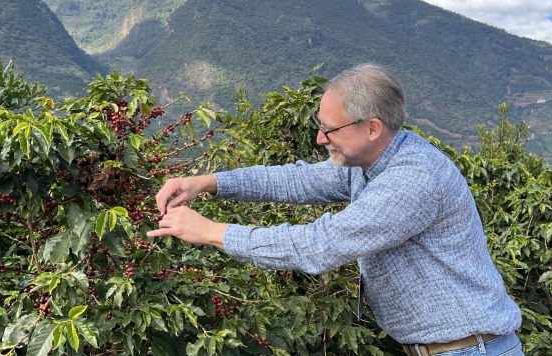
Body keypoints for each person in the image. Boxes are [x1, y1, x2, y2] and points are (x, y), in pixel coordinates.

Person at [146, 64, 524, 356]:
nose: (319, 138)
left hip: (471, 349)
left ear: (372, 127)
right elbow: (296, 181)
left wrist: (210, 231)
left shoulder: (412, 179)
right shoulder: (369, 163)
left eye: (330, 130)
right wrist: (208, 182)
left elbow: (319, 245)